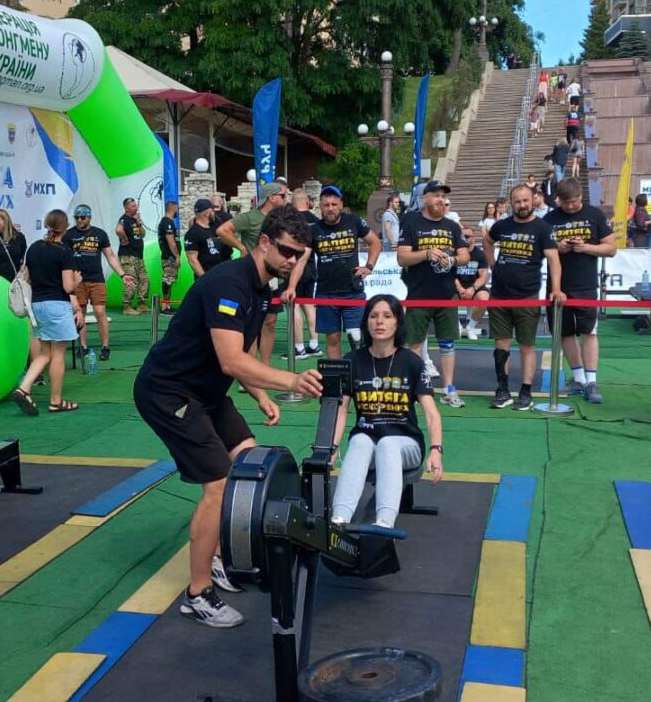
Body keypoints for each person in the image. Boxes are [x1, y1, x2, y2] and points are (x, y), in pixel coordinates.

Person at [134, 204, 323, 628]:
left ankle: (218, 555)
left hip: (205, 391)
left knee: (248, 458)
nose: (293, 261)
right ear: (264, 243)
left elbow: (243, 355)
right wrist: (289, 382)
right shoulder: (229, 284)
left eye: (299, 255)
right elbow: (231, 361)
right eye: (288, 252)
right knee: (218, 485)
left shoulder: (262, 287)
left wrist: (259, 396)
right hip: (169, 392)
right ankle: (197, 593)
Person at [328, 295, 444, 530]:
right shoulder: (353, 360)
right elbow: (342, 410)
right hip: (368, 444)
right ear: (366, 322)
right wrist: (332, 447)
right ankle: (338, 520)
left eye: (387, 316)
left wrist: (436, 450)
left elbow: (431, 412)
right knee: (360, 441)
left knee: (388, 444)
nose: (379, 322)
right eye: (373, 316)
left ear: (397, 323)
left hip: (406, 444)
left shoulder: (411, 362)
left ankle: (384, 524)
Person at [486, 184, 561, 410]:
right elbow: (487, 241)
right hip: (499, 295)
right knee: (501, 344)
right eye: (517, 201)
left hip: (527, 296)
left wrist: (556, 289)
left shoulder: (543, 228)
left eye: (525, 201)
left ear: (533, 200)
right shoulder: (501, 226)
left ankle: (526, 391)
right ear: (511, 203)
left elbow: (554, 261)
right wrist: (492, 264)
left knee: (526, 345)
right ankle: (503, 389)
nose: (522, 205)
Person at [397, 180, 469, 407]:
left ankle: (449, 389)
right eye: (436, 195)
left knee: (448, 343)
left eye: (443, 196)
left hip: (446, 296)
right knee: (415, 343)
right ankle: (418, 388)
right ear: (424, 198)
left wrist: (453, 259)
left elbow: (465, 255)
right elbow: (402, 257)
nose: (441, 199)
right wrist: (426, 253)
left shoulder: (452, 226)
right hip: (418, 294)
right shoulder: (411, 222)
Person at [546, 178, 615, 404]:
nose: (571, 207)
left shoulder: (594, 215)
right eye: (566, 203)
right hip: (558, 286)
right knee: (564, 332)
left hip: (585, 285)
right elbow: (542, 249)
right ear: (559, 200)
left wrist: (586, 247)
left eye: (575, 202)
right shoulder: (550, 219)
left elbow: (611, 248)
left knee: (588, 332)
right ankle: (577, 377)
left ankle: (592, 380)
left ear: (580, 197)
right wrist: (560, 248)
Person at [11, 209, 81, 414]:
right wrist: (77, 281)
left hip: (37, 305)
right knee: (58, 354)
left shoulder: (33, 248)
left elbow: (26, 278)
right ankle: (56, 401)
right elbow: (68, 287)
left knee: (44, 353)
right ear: (65, 227)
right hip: (57, 305)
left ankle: (24, 388)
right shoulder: (64, 252)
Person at [216, 181, 291, 363]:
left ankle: (264, 367)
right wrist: (241, 247)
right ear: (272, 197)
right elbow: (222, 230)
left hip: (274, 278)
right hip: (252, 278)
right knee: (251, 324)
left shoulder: (282, 219)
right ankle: (250, 367)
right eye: (283, 195)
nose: (286, 199)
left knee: (270, 322)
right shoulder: (251, 217)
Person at [304, 185, 379, 358]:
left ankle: (361, 375)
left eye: (334, 204)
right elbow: (302, 260)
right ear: (320, 207)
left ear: (340, 204)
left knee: (356, 337)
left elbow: (375, 242)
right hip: (326, 292)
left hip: (352, 291)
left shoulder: (354, 221)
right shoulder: (314, 229)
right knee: (333, 338)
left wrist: (368, 267)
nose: (330, 208)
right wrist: (292, 286)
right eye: (326, 205)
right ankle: (336, 379)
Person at [63, 204, 132, 362]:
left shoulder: (100, 234)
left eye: (83, 217)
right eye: (77, 217)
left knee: (100, 313)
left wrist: (122, 274)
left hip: (96, 279)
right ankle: (83, 346)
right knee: (79, 313)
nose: (79, 220)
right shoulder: (69, 235)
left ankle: (105, 346)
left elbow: (110, 256)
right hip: (77, 280)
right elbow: (64, 258)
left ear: (89, 217)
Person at [289, 191, 321, 357]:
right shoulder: (316, 221)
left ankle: (299, 347)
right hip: (311, 268)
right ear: (306, 201)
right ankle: (314, 344)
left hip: (293, 266)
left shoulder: (289, 220)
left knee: (293, 306)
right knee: (309, 305)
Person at [115, 197, 150, 315]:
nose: (136, 208)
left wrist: (139, 223)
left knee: (145, 279)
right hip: (128, 256)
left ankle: (141, 304)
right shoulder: (124, 219)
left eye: (136, 205)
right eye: (133, 206)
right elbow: (119, 230)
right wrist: (124, 239)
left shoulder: (135, 220)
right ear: (126, 208)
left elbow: (143, 234)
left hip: (138, 256)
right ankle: (127, 306)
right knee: (131, 280)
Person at [455, 225, 489, 340]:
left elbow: (484, 275)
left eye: (467, 236)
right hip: (457, 286)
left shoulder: (480, 254)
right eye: (462, 236)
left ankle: (470, 327)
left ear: (473, 238)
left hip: (474, 287)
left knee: (484, 298)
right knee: (444, 294)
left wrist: (473, 288)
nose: (464, 238)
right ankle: (457, 326)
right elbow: (449, 275)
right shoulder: (454, 252)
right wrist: (460, 289)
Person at [184, 198, 229, 277]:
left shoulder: (214, 227)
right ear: (207, 213)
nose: (214, 213)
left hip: (222, 273)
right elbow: (192, 260)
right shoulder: (192, 233)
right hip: (209, 276)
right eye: (212, 211)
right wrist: (205, 279)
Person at [158, 200, 181, 311]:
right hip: (169, 257)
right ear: (172, 208)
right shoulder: (167, 222)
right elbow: (171, 242)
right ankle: (164, 306)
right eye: (176, 208)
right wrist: (176, 256)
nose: (177, 211)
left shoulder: (168, 222)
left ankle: (167, 305)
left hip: (170, 257)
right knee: (167, 279)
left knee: (170, 280)